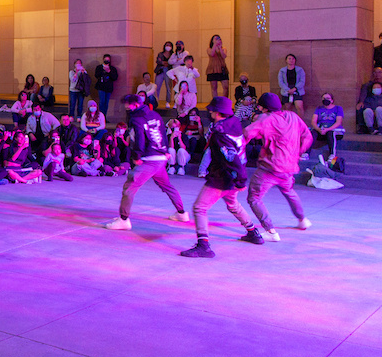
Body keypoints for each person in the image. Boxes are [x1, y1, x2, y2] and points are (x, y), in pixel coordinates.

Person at [181, 97, 261, 258]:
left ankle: (203, 246)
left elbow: (231, 157)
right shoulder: (234, 123)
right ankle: (253, 232)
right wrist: (239, 177)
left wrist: (241, 180)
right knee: (233, 204)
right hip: (232, 175)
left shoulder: (220, 132)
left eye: (212, 110)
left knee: (200, 208)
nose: (209, 112)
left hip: (223, 177)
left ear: (218, 113)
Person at [105, 95, 188, 230]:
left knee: (129, 188)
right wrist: (165, 150)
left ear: (135, 105)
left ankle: (123, 219)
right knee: (167, 186)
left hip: (149, 160)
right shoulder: (155, 115)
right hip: (160, 159)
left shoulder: (136, 118)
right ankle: (182, 213)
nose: (126, 107)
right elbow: (161, 133)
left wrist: (137, 155)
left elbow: (140, 138)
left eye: (127, 104)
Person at [245, 92, 313, 242]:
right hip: (289, 166)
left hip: (270, 167)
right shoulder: (293, 116)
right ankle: (302, 220)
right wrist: (298, 152)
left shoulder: (265, 119)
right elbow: (307, 136)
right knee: (289, 191)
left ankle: (270, 231)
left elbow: (247, 134)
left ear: (263, 107)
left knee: (254, 197)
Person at [311, 92, 344, 161]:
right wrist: (318, 129)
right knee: (313, 132)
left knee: (330, 133)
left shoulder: (338, 108)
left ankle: (332, 154)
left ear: (332, 100)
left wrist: (328, 129)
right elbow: (313, 121)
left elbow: (338, 122)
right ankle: (306, 153)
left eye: (328, 98)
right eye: (324, 98)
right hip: (321, 130)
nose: (325, 99)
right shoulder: (319, 108)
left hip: (333, 130)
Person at [155, 41, 175, 108]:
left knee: (168, 87)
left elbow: (171, 62)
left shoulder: (173, 55)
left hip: (168, 71)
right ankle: (156, 101)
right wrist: (165, 62)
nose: (168, 46)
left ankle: (168, 102)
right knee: (157, 87)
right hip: (160, 71)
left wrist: (164, 62)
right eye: (167, 45)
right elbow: (158, 61)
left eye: (169, 45)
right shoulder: (160, 54)